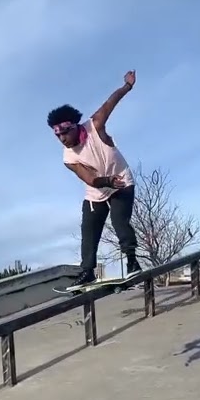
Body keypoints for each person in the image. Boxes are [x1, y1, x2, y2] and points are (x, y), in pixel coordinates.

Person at [49, 70, 143, 290]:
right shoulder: (68, 157)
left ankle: (132, 262)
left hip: (122, 182)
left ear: (73, 127)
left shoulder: (95, 125)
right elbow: (89, 178)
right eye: (57, 137)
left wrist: (127, 86)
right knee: (89, 228)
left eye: (64, 134)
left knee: (120, 222)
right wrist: (106, 181)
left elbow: (111, 101)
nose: (62, 140)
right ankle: (87, 271)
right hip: (99, 190)